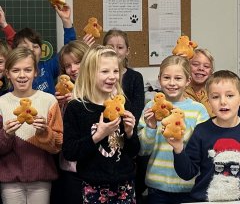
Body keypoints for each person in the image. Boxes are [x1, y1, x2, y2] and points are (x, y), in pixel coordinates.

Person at [62, 44, 140, 203]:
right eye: (105, 71)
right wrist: (97, 136)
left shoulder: (123, 105)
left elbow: (133, 151)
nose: (112, 76)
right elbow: (70, 152)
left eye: (116, 71)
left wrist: (130, 132)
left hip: (125, 184)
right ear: (89, 73)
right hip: (93, 185)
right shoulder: (76, 108)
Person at [138, 55, 209, 204]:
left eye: (178, 78)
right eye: (166, 78)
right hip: (157, 187)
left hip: (190, 187)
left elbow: (204, 150)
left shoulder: (198, 110)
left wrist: (183, 131)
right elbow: (143, 150)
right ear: (159, 79)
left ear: (188, 81)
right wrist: (151, 127)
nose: (172, 83)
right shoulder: (150, 107)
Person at [0, 47, 63, 204]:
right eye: (15, 70)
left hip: (41, 179)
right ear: (7, 73)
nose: (22, 75)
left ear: (36, 72)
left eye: (28, 70)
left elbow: (57, 145)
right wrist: (6, 135)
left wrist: (44, 132)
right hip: (10, 181)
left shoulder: (49, 101)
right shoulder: (1, 103)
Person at [168, 70, 240, 202]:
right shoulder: (202, 131)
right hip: (203, 200)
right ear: (208, 101)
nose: (223, 102)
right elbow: (187, 173)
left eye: (230, 95)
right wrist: (178, 149)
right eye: (215, 97)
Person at [103, 29, 146, 202]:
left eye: (120, 47)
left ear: (127, 51)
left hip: (127, 136)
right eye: (110, 46)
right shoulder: (99, 77)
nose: (115, 50)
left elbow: (136, 109)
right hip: (104, 135)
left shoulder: (135, 77)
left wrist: (123, 122)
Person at [0, 4, 76, 95]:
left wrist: (66, 20)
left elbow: (70, 49)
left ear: (41, 51)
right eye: (25, 47)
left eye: (35, 46)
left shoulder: (48, 68)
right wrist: (4, 25)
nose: (31, 49)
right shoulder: (10, 73)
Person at [54, 40, 89, 204]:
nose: (73, 69)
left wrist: (79, 100)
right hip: (70, 168)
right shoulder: (62, 92)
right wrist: (58, 108)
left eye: (78, 62)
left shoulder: (102, 89)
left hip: (93, 167)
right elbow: (60, 130)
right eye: (68, 66)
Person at [184, 48, 215, 116]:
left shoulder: (214, 95)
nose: (201, 68)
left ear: (211, 71)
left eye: (206, 66)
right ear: (186, 67)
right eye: (195, 64)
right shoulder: (179, 93)